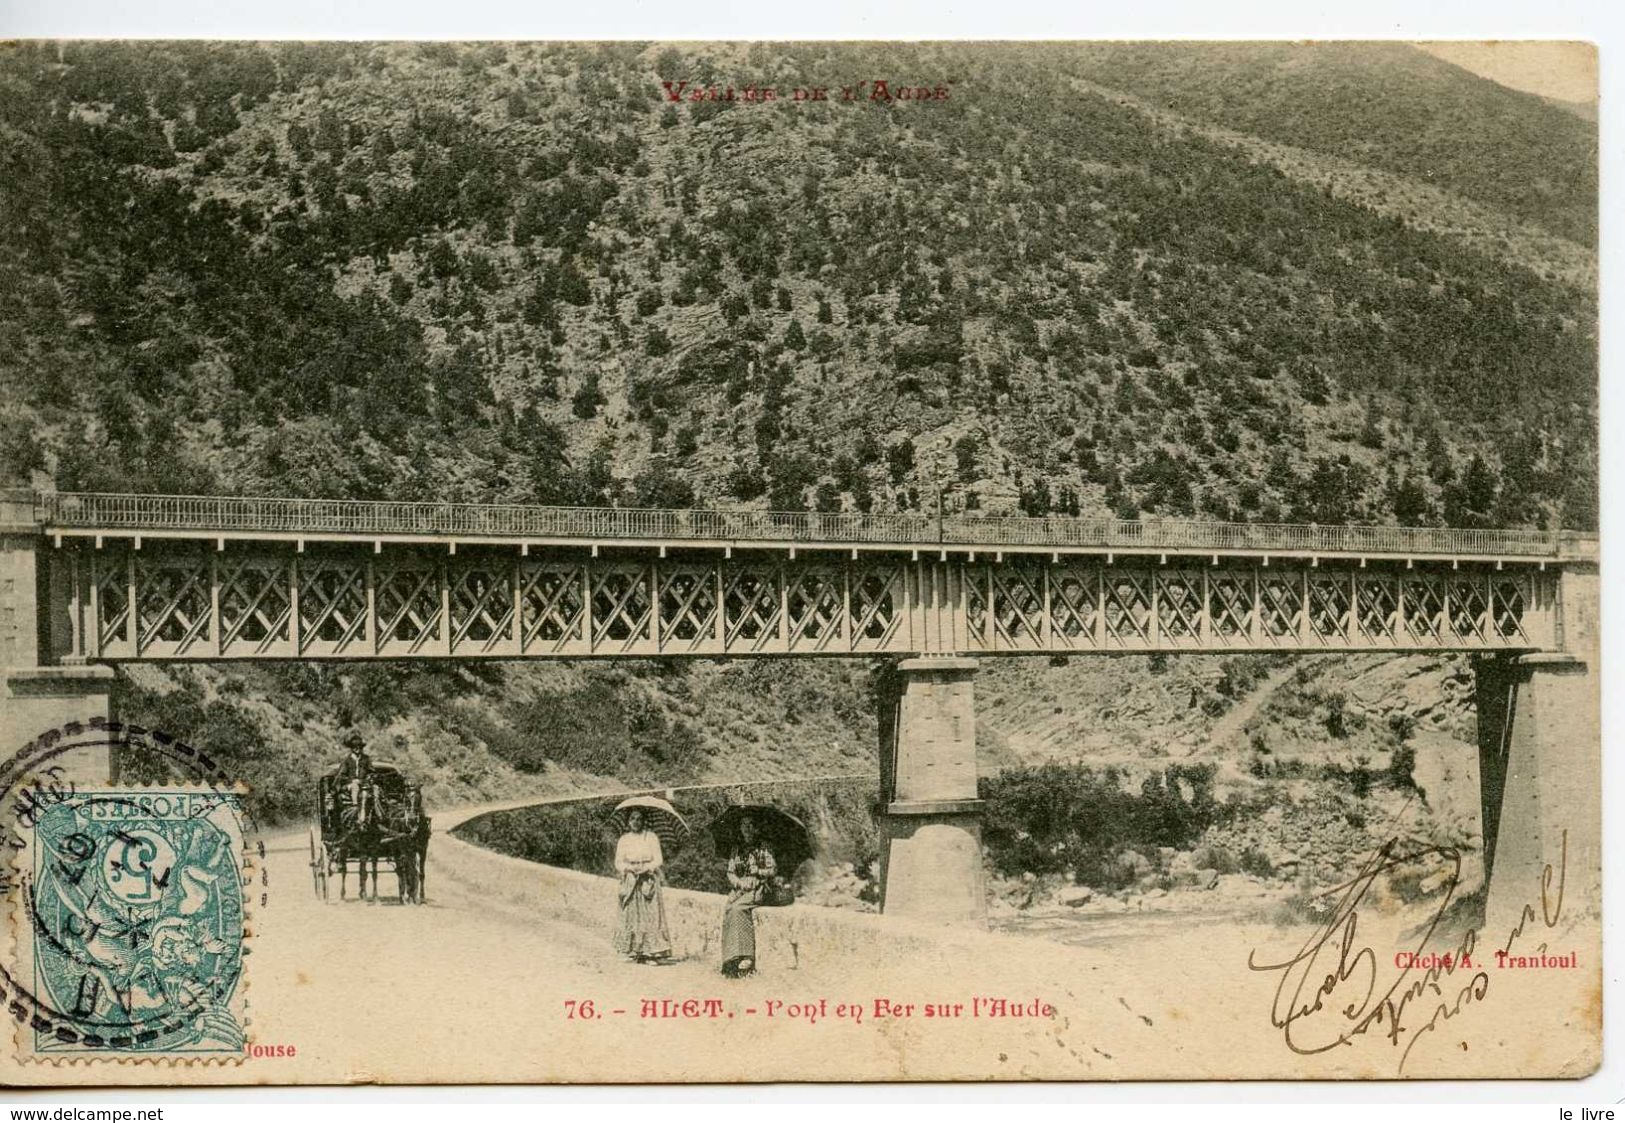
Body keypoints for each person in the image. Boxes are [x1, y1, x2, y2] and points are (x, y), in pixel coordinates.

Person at [720, 815, 776, 979]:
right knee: (728, 909)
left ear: (756, 829)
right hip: (741, 887)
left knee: (738, 909)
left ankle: (746, 957)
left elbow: (773, 870)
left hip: (757, 887)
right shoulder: (737, 848)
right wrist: (738, 883)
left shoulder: (764, 847)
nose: (747, 829)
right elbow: (730, 872)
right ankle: (730, 958)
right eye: (744, 826)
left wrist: (758, 872)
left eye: (751, 825)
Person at [613, 808, 671, 963]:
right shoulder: (624, 840)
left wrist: (646, 868)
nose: (636, 822)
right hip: (631, 879)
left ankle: (651, 953)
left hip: (647, 880)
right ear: (628, 821)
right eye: (632, 819)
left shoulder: (651, 837)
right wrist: (628, 868)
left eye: (639, 819)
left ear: (644, 820)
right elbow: (618, 861)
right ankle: (635, 952)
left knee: (650, 916)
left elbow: (658, 859)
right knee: (632, 916)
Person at [337, 731, 373, 827]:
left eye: (359, 747)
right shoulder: (346, 761)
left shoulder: (366, 759)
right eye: (355, 747)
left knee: (368, 792)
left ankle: (368, 814)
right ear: (351, 748)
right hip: (350, 785)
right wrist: (351, 780)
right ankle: (356, 809)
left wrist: (366, 779)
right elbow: (341, 776)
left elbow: (371, 772)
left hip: (364, 784)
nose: (357, 749)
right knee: (355, 787)